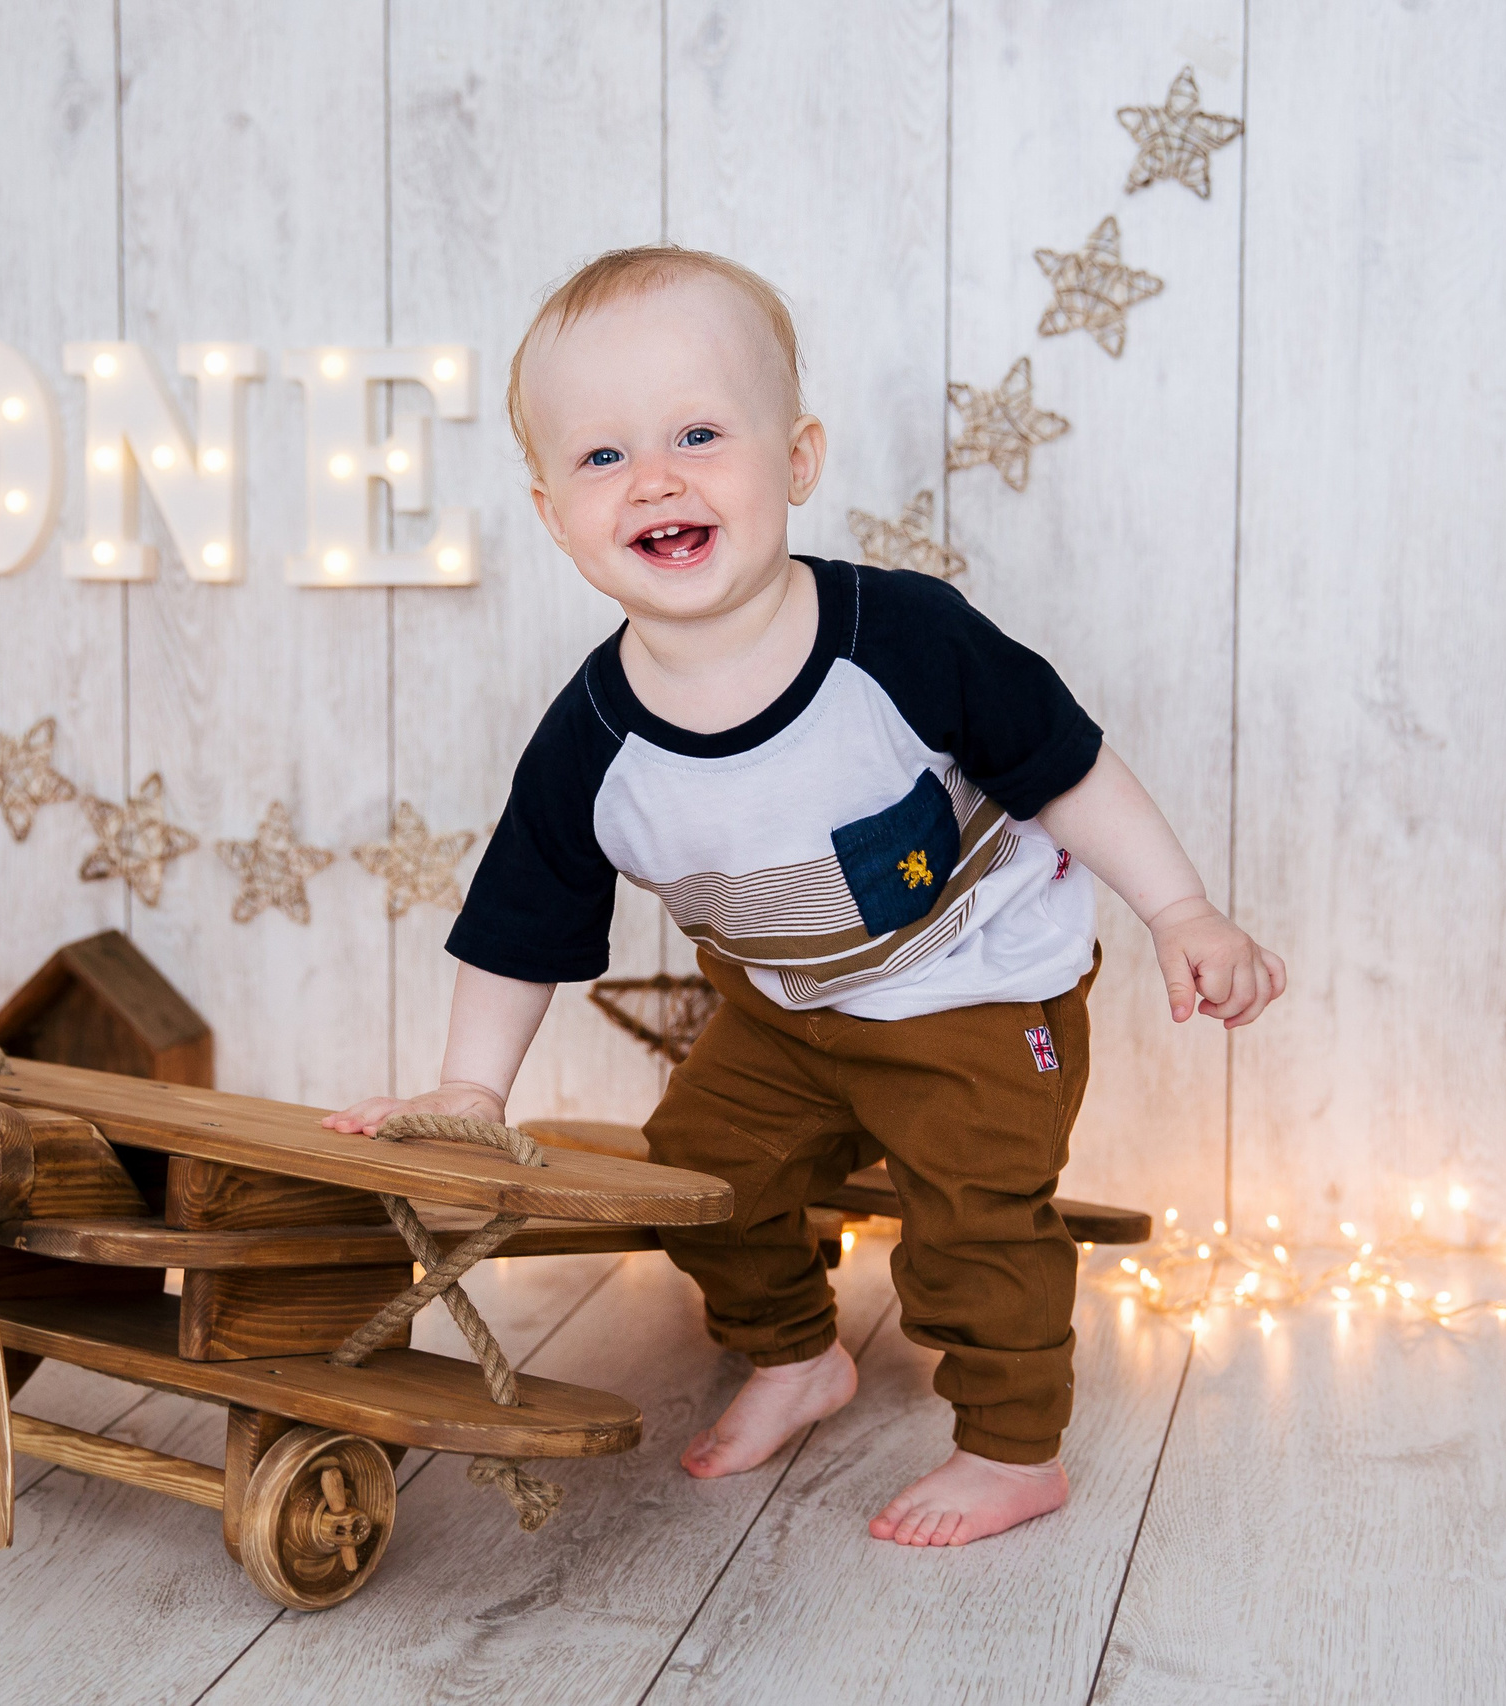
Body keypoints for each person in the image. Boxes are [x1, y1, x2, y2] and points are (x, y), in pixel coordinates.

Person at [326, 246, 1286, 1546]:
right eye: (603, 457)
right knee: (702, 1179)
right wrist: (469, 1093)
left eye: (699, 433)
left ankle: (1013, 1446)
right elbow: (519, 926)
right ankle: (794, 1351)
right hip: (786, 1011)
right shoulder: (593, 741)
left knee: (973, 1224)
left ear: (797, 460)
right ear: (553, 513)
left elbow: (1065, 765)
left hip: (977, 988)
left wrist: (1184, 910)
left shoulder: (900, 641)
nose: (655, 476)